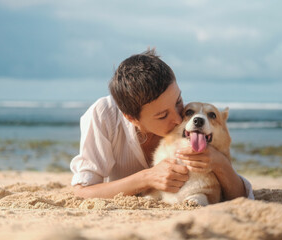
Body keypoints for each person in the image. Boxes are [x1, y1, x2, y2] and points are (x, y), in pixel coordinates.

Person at [70, 48, 254, 200]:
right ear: (131, 118)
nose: (178, 118)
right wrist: (147, 178)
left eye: (178, 101)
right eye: (162, 115)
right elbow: (82, 192)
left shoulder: (190, 123)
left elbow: (240, 196)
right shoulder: (104, 115)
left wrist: (219, 162)